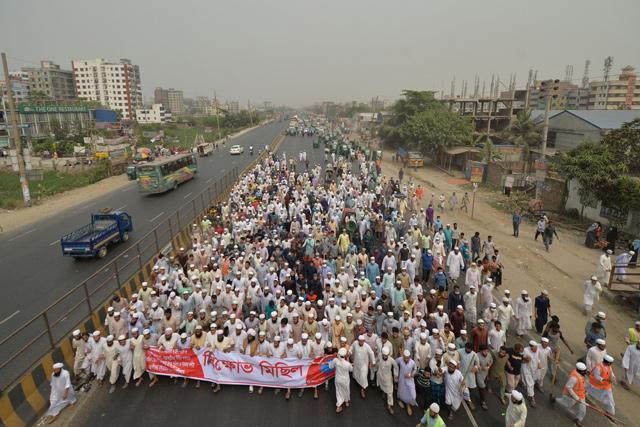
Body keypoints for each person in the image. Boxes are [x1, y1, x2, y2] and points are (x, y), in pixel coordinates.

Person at [550, 362, 588, 427]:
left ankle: (578, 419)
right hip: (572, 395)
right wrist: (576, 398)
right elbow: (568, 387)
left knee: (583, 409)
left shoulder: (581, 375)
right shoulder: (574, 378)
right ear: (581, 372)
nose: (585, 372)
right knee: (566, 404)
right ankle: (555, 399)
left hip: (581, 395)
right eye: (584, 371)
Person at [331, 347, 353, 413]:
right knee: (346, 390)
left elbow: (331, 367)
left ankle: (339, 405)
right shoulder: (347, 364)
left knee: (339, 392)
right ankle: (346, 401)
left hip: (337, 379)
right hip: (345, 380)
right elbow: (351, 370)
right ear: (345, 355)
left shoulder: (335, 360)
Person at [396, 349, 418, 415]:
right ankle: (400, 400)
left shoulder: (412, 362)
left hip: (410, 380)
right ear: (403, 356)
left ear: (410, 357)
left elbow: (415, 369)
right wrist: (396, 374)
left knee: (411, 394)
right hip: (401, 379)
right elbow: (394, 364)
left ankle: (408, 405)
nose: (406, 360)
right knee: (401, 391)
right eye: (405, 358)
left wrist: (411, 374)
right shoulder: (400, 359)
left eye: (407, 358)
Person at [377, 346, 399, 414]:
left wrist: (395, 375)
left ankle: (389, 405)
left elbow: (396, 367)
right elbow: (376, 360)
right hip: (380, 375)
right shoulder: (380, 356)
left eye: (386, 355)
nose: (385, 357)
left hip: (388, 378)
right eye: (384, 355)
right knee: (382, 386)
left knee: (390, 392)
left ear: (388, 354)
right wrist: (373, 363)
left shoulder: (391, 360)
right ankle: (383, 391)